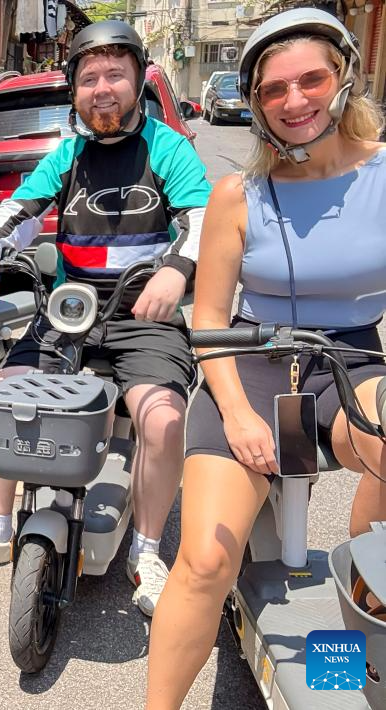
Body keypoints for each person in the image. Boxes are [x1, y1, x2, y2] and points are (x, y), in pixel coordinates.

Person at [146, 9, 386, 706]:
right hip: (248, 362)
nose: (295, 100)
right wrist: (239, 415)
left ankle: (363, 588)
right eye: (274, 88)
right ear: (255, 103)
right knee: (205, 560)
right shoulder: (238, 195)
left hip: (348, 360)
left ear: (344, 78)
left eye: (312, 79)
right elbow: (209, 323)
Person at [0, 20, 211, 619]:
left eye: (115, 74)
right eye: (89, 78)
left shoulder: (169, 148)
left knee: (163, 420)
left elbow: (200, 218)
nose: (102, 89)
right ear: (75, 91)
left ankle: (145, 552)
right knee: (0, 396)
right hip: (70, 311)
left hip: (144, 315)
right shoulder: (67, 156)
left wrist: (176, 270)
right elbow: (17, 209)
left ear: (137, 81)